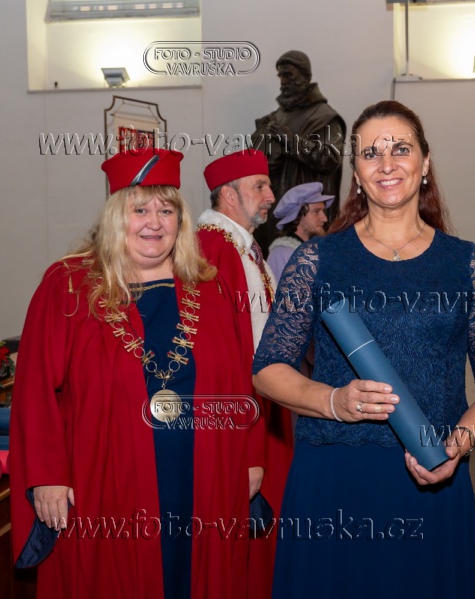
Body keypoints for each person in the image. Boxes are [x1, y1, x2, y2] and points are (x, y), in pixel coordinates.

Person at [252, 100, 475, 597]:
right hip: (334, 477)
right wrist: (334, 401)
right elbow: (268, 369)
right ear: (356, 173)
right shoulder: (317, 260)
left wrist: (456, 446)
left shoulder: (466, 264)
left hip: (431, 472)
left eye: (400, 149)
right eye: (370, 153)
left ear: (425, 162)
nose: (386, 163)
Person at [10, 148, 265, 598]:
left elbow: (244, 378)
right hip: (107, 480)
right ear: (115, 217)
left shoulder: (210, 285)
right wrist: (47, 474)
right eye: (140, 210)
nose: (155, 222)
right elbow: (34, 390)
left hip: (206, 475)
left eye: (166, 210)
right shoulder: (68, 286)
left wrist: (250, 456)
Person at [196, 150, 293, 599]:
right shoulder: (215, 250)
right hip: (245, 419)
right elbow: (229, 359)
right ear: (228, 195)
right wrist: (250, 445)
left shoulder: (242, 247)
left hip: (263, 407)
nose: (271, 195)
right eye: (260, 186)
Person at [251, 50, 346, 254]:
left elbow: (330, 158)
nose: (283, 82)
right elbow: (259, 163)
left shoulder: (325, 117)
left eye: (289, 75)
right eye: (280, 76)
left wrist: (290, 140)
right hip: (272, 210)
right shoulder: (275, 117)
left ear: (305, 76)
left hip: (306, 217)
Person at [266, 182, 331, 284]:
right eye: (316, 211)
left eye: (323, 211)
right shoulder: (281, 254)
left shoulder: (314, 250)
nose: (324, 218)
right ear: (298, 216)